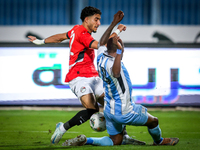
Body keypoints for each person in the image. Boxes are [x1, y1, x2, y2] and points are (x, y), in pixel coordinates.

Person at [28, 6, 143, 145]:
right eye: (96, 19)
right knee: (92, 109)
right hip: (78, 77)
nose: (98, 23)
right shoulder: (81, 32)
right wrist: (116, 28)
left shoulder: (75, 30)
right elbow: (102, 45)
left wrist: (40, 41)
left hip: (94, 76)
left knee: (111, 102)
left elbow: (59, 37)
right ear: (86, 19)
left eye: (99, 20)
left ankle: (124, 135)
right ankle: (63, 128)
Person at [62, 19, 180, 147]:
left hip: (109, 109)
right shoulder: (113, 64)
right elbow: (116, 73)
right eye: (118, 41)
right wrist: (120, 51)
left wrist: (115, 27)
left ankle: (87, 140)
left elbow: (102, 41)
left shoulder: (101, 57)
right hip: (124, 111)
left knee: (115, 141)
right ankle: (159, 141)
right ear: (117, 47)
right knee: (154, 122)